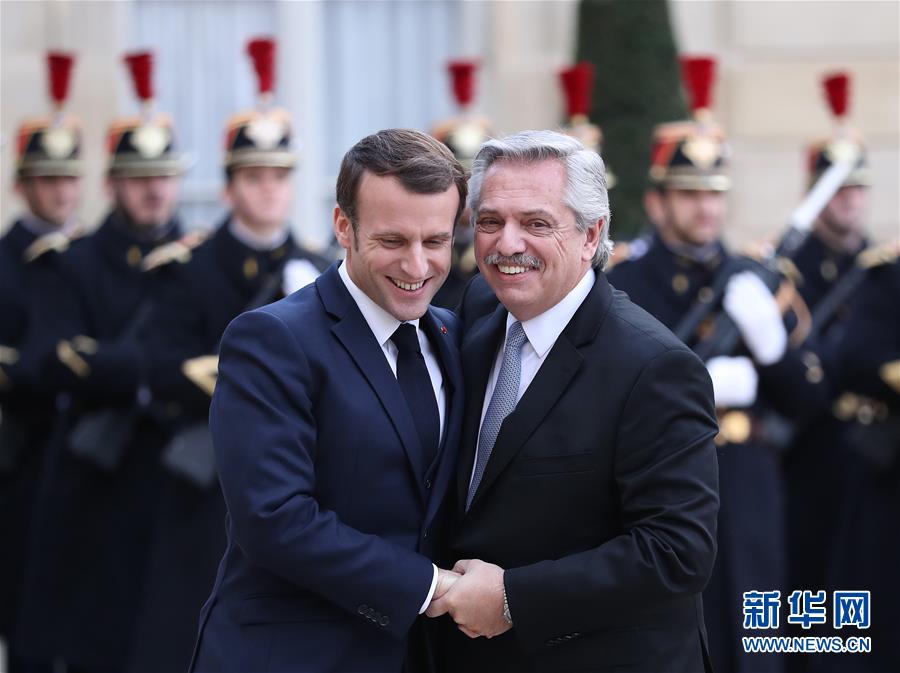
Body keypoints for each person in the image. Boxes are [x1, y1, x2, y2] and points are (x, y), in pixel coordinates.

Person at [429, 129, 720, 673]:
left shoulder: (654, 366)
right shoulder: (480, 310)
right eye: (490, 221)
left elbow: (677, 552)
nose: (507, 244)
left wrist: (513, 599)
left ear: (592, 235)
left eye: (536, 224)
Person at [190, 128, 468, 673]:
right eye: (393, 241)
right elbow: (275, 518)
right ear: (343, 226)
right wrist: (432, 587)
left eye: (435, 242)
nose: (417, 266)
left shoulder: (454, 336)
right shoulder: (272, 339)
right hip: (294, 655)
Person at [608, 56, 827, 673]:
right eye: (689, 194)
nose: (706, 210)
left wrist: (772, 345)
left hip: (747, 481)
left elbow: (808, 400)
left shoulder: (753, 280)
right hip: (665, 485)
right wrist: (697, 385)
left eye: (715, 195)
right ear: (656, 202)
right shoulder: (627, 283)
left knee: (758, 637)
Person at [128, 37, 329, 673]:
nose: (269, 191)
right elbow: (157, 366)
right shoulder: (187, 269)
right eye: (254, 177)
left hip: (297, 478)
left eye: (280, 176)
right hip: (205, 481)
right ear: (229, 185)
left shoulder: (320, 269)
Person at [13, 50, 190, 673]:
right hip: (96, 474)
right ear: (112, 183)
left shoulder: (197, 262)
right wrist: (159, 373)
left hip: (177, 475)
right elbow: (58, 358)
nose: (154, 189)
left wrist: (126, 367)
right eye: (139, 178)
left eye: (164, 176)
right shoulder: (74, 263)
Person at [0, 51, 84, 672]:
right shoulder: (5, 262)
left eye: (69, 178)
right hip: (23, 452)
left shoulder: (88, 255)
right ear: (23, 184)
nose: (60, 190)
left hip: (84, 451)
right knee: (25, 604)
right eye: (47, 178)